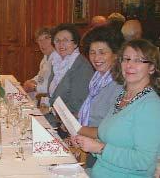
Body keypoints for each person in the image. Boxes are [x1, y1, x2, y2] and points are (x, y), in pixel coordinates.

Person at [75, 39, 160, 177]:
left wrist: (100, 148)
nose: (129, 65)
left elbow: (144, 161)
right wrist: (87, 142)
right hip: (99, 172)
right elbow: (114, 141)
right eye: (126, 59)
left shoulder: (150, 106)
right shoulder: (122, 96)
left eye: (138, 60)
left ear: (151, 67)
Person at [77, 25, 124, 167]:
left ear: (115, 54)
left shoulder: (120, 84)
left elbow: (112, 132)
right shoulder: (97, 79)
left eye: (102, 52)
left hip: (104, 156)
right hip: (86, 144)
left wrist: (77, 128)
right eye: (92, 52)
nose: (96, 58)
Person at [48, 23, 94, 116]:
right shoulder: (57, 62)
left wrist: (50, 110)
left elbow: (77, 105)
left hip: (67, 123)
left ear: (75, 43)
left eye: (65, 40)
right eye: (57, 40)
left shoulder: (82, 67)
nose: (61, 44)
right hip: (54, 116)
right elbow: (52, 95)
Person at [23, 27, 54, 100]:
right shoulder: (45, 57)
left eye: (46, 38)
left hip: (47, 101)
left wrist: (34, 87)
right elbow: (41, 76)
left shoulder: (58, 60)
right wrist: (32, 81)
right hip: (36, 95)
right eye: (40, 40)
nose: (43, 43)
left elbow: (54, 87)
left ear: (54, 40)